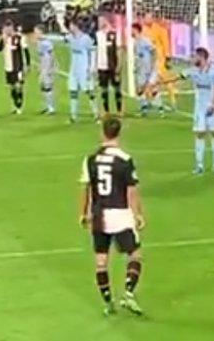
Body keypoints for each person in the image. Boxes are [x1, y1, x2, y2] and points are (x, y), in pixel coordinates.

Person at [79, 116, 145, 316]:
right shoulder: (124, 159)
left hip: (99, 214)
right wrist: (138, 214)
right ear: (119, 133)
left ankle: (108, 302)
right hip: (120, 213)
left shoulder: (91, 159)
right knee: (135, 254)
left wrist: (84, 213)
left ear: (103, 133)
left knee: (101, 260)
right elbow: (131, 190)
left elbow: (86, 188)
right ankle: (128, 293)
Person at [182, 47, 214, 174]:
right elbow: (180, 75)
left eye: (195, 56)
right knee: (200, 134)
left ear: (202, 57)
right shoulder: (193, 71)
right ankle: (199, 165)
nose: (193, 59)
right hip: (199, 109)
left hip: (212, 107)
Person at [66, 19, 99, 123]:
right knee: (73, 92)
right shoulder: (70, 37)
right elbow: (60, 39)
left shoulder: (86, 39)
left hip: (84, 70)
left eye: (71, 25)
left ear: (76, 26)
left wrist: (92, 67)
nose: (69, 28)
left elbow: (93, 52)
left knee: (89, 92)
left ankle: (96, 115)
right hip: (73, 69)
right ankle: (73, 116)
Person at [0, 20, 31, 115]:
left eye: (9, 27)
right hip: (8, 67)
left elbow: (26, 51)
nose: (7, 30)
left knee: (18, 86)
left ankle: (19, 106)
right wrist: (3, 40)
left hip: (18, 66)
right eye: (6, 28)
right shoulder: (5, 38)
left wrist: (28, 64)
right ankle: (15, 105)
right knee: (12, 87)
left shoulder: (19, 37)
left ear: (12, 27)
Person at [132, 24, 163, 116]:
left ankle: (160, 109)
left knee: (152, 88)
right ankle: (144, 110)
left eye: (132, 30)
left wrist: (153, 65)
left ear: (136, 30)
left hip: (149, 69)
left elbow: (154, 52)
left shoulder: (145, 40)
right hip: (141, 70)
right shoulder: (136, 42)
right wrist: (136, 68)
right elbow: (138, 57)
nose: (131, 32)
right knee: (140, 89)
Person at [96, 16, 123, 116]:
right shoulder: (97, 35)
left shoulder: (114, 34)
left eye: (101, 21)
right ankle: (106, 110)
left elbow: (119, 50)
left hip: (113, 66)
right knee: (104, 89)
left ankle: (119, 109)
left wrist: (119, 65)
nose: (99, 23)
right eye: (99, 21)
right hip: (101, 66)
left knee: (117, 88)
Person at [33, 25, 57, 115]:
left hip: (47, 67)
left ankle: (51, 108)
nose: (35, 34)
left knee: (48, 87)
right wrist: (39, 67)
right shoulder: (39, 42)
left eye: (36, 32)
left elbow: (52, 55)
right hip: (43, 66)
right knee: (42, 86)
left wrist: (51, 68)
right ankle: (46, 106)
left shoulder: (47, 42)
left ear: (41, 32)